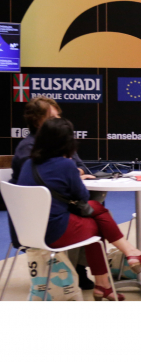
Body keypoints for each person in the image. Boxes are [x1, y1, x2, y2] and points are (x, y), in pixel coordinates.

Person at [16, 118, 141, 301]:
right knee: (98, 221)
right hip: (54, 232)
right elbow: (83, 197)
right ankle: (126, 259)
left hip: (28, 231)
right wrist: (75, 175)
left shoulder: (29, 164)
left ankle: (110, 278)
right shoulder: (65, 165)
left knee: (95, 210)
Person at [8, 96, 96, 289]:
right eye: (52, 118)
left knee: (95, 203)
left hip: (53, 210)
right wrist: (70, 171)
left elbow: (81, 168)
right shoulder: (28, 150)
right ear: (37, 121)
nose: (57, 121)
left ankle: (85, 269)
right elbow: (42, 183)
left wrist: (72, 171)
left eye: (58, 117)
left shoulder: (58, 142)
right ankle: (92, 271)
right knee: (95, 212)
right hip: (37, 219)